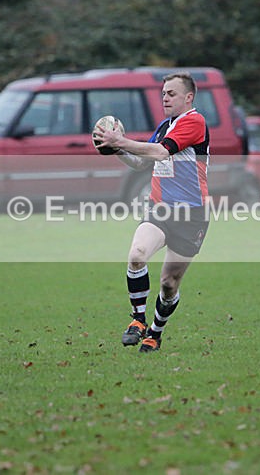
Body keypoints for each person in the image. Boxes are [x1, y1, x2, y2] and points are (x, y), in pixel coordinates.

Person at [93, 72, 210, 353]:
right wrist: (115, 148)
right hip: (159, 208)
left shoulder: (194, 121)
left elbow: (160, 153)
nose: (165, 97)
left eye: (171, 93)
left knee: (169, 284)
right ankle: (137, 320)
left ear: (189, 97)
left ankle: (155, 333)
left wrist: (120, 140)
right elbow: (140, 163)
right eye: (164, 93)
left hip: (191, 216)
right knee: (137, 255)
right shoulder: (165, 125)